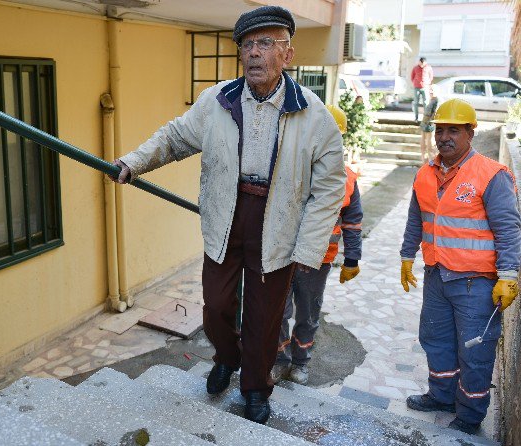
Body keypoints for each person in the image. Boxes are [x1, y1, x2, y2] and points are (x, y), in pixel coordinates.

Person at [110, 5, 346, 425]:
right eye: (247, 45)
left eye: (266, 43)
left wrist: (308, 248)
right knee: (217, 305)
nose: (254, 53)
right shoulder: (216, 101)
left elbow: (329, 187)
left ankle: (255, 386)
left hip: (278, 220)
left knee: (265, 313)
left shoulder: (315, 116)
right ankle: (226, 357)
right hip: (226, 212)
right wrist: (133, 163)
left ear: (288, 54)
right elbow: (174, 137)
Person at [400, 98, 520, 435]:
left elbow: (509, 229)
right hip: (437, 275)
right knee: (435, 339)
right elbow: (416, 219)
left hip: (476, 283)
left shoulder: (490, 175)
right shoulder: (426, 173)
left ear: (470, 133)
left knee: (475, 351)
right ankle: (441, 395)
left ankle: (470, 413)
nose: (444, 137)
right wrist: (406, 256)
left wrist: (508, 276)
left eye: (454, 130)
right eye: (440, 129)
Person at [272, 104, 363, 385]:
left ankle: (301, 362)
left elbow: (353, 222)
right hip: (282, 257)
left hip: (319, 261)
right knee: (277, 312)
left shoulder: (347, 180)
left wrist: (352, 259)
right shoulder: (288, 170)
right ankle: (278, 360)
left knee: (308, 314)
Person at [419, 86, 438, 164]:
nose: (431, 92)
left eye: (432, 90)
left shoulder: (436, 101)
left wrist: (429, 123)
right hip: (424, 123)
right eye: (430, 90)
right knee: (423, 144)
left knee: (430, 145)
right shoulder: (430, 100)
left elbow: (435, 113)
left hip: (430, 124)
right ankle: (424, 161)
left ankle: (432, 162)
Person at [411, 57, 433, 122]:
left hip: (425, 87)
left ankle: (425, 118)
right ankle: (416, 118)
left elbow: (431, 77)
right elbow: (412, 77)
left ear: (425, 62)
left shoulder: (428, 68)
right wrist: (416, 83)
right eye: (420, 63)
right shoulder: (415, 68)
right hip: (417, 87)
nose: (421, 65)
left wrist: (427, 84)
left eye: (422, 63)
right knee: (416, 103)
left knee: (426, 103)